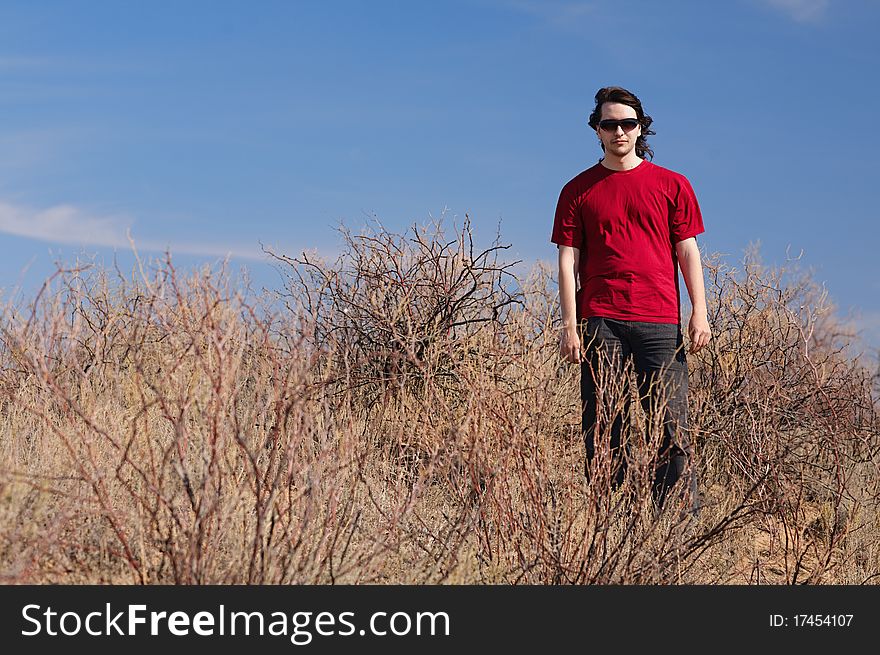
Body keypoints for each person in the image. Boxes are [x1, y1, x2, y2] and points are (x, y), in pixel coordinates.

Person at [550, 86, 711, 512]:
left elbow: (687, 251)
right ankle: (613, 523)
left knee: (672, 426)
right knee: (604, 426)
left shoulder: (673, 185)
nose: (619, 131)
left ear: (641, 129)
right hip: (600, 321)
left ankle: (675, 526)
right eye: (609, 124)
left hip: (660, 321)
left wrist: (701, 312)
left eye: (628, 123)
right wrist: (569, 328)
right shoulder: (577, 190)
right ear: (597, 131)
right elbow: (567, 263)